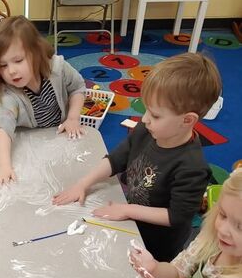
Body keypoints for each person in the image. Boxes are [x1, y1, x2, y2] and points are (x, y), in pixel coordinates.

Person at [53, 53, 222, 262]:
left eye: (155, 115)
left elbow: (177, 216)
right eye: (146, 109)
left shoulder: (192, 167)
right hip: (131, 222)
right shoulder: (147, 129)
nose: (145, 119)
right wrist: (83, 183)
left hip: (157, 244)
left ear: (187, 120)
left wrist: (128, 210)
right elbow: (117, 159)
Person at [0, 15, 86, 184]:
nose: (11, 71)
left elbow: (78, 88)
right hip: (32, 143)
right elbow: (2, 126)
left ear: (36, 52)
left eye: (18, 60)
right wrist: (4, 166)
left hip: (60, 136)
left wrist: (73, 118)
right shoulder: (9, 93)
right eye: (3, 65)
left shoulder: (58, 68)